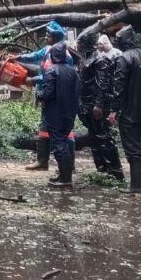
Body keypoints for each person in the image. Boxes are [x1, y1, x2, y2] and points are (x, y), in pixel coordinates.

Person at [107, 25, 141, 197]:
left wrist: (114, 109)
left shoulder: (125, 59)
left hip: (131, 112)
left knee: (134, 148)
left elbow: (119, 86)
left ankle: (137, 186)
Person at [18, 21, 73, 171]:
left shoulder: (65, 56)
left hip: (57, 98)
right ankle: (42, 161)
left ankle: (68, 165)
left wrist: (34, 80)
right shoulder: (49, 49)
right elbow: (34, 56)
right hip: (46, 95)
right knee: (44, 127)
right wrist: (17, 57)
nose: (45, 38)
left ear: (55, 38)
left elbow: (54, 77)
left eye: (48, 36)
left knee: (64, 131)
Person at [77, 33, 125, 180]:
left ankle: (115, 171)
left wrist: (98, 104)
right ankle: (102, 169)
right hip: (85, 104)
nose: (78, 45)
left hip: (96, 105)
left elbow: (103, 84)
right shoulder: (84, 59)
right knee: (94, 137)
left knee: (103, 137)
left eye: (80, 42)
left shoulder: (100, 59)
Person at [36, 42, 81, 188]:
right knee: (63, 141)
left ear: (53, 56)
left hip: (55, 113)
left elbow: (47, 93)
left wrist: (39, 95)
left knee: (59, 145)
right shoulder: (73, 71)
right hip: (69, 113)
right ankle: (63, 175)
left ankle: (65, 179)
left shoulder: (51, 70)